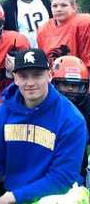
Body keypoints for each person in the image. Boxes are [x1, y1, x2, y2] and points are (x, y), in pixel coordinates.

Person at [0, 48, 88, 203]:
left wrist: (11, 197)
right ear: (15, 78)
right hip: (15, 193)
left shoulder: (72, 119)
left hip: (58, 196)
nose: (30, 83)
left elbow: (62, 178)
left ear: (49, 76)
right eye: (23, 76)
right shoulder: (2, 113)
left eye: (37, 75)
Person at [51, 55, 90, 186]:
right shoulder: (44, 104)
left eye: (75, 85)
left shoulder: (87, 106)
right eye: (65, 84)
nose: (70, 89)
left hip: (77, 166)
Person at [37, 0, 90, 70]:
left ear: (74, 7)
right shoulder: (43, 29)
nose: (58, 9)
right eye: (54, 6)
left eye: (64, 5)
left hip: (78, 76)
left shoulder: (84, 23)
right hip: (53, 74)